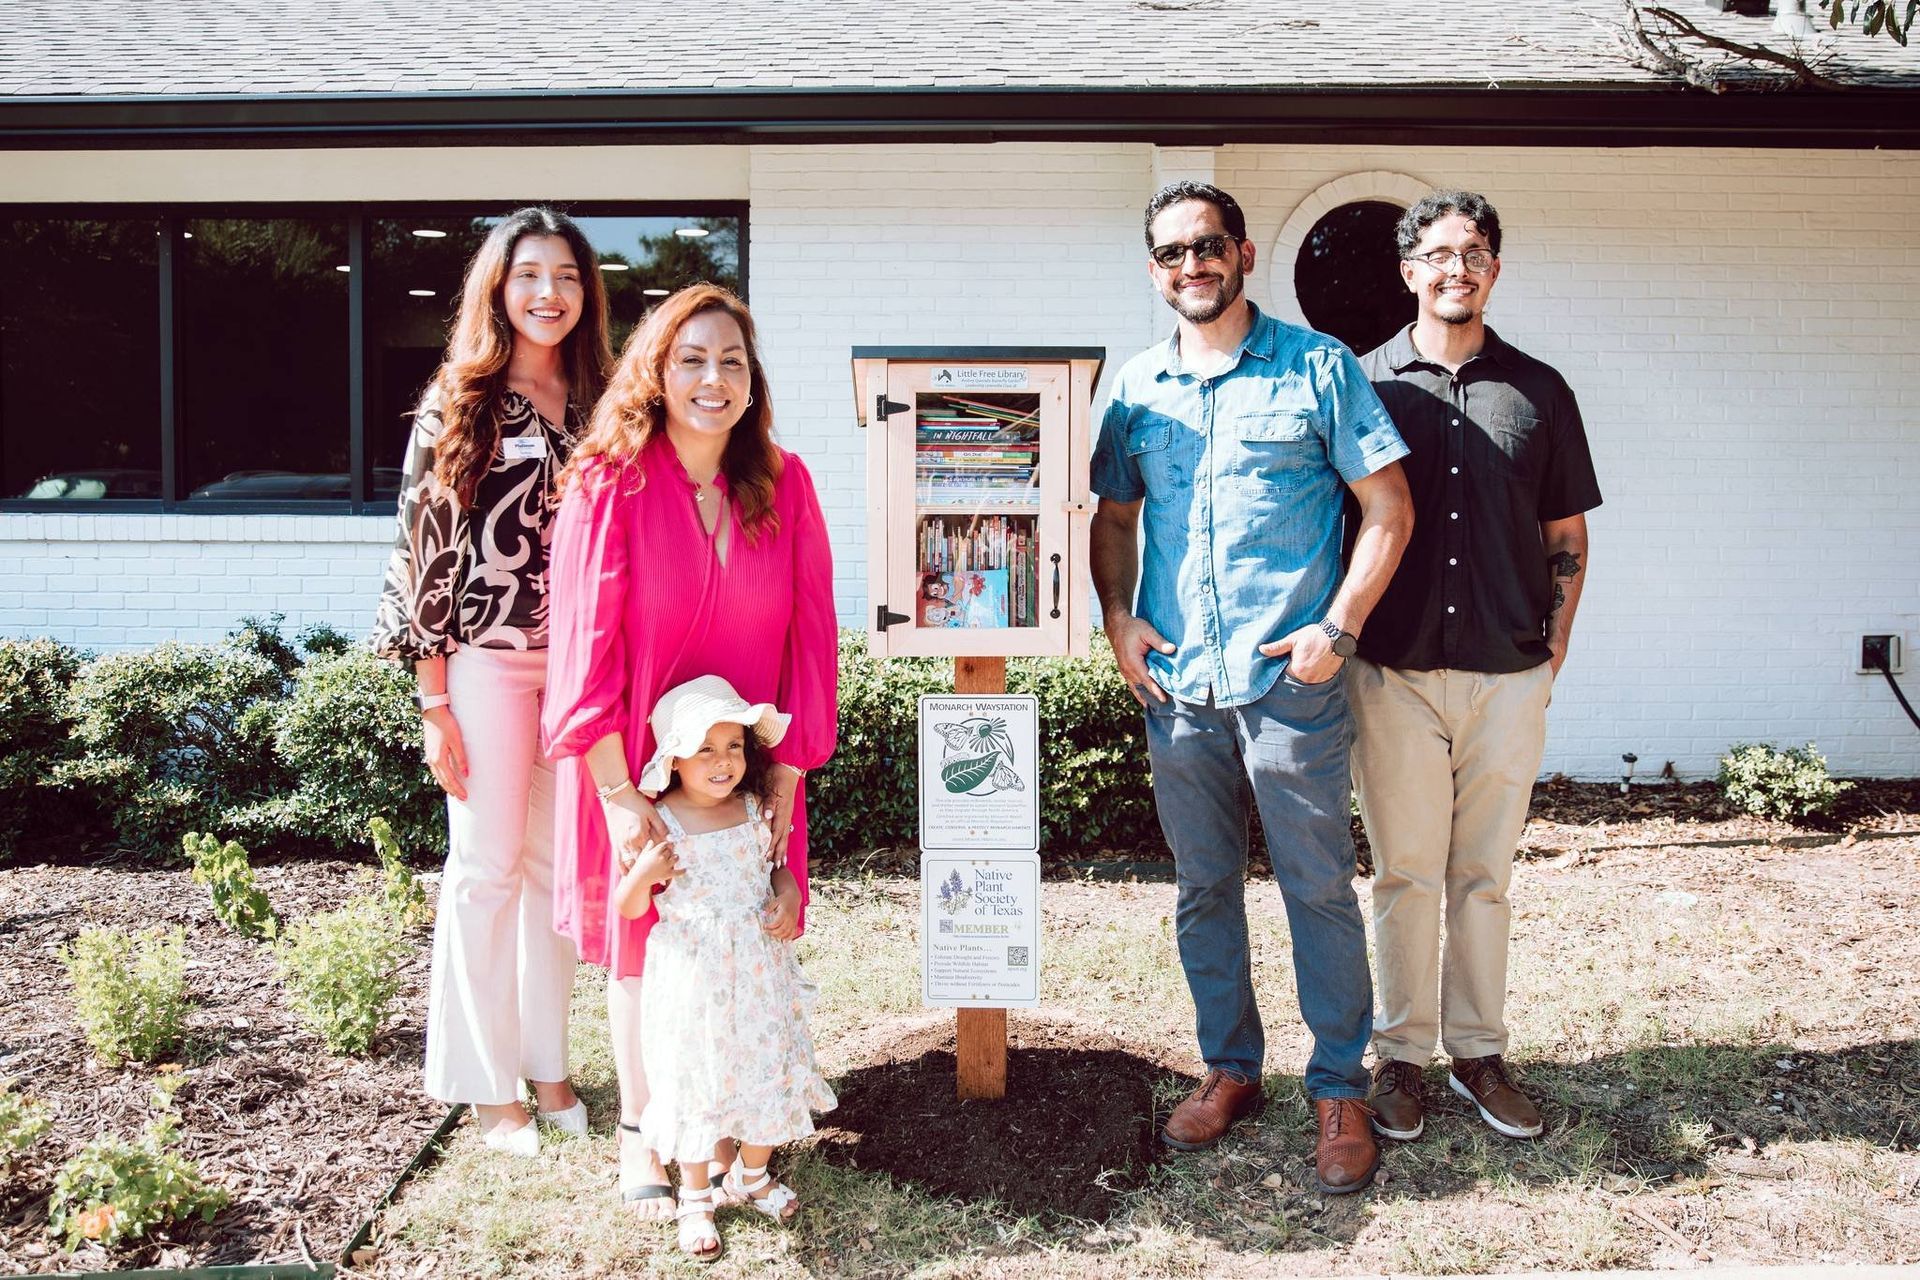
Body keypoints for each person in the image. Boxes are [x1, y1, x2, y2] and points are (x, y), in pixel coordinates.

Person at [1088, 181, 1414, 1195]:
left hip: (1291, 686)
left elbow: (1388, 507)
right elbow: (1112, 517)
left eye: (1210, 246)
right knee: (1202, 888)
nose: (1194, 264)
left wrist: (1339, 626)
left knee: (1316, 886)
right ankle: (1230, 1068)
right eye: (1174, 252)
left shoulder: (1319, 369)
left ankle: (1337, 1086)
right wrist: (1116, 614)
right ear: (1155, 270)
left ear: (1243, 252)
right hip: (1180, 685)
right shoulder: (1139, 389)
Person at [542, 283, 838, 1222]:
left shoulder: (786, 484)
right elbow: (584, 641)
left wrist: (787, 780)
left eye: (733, 363)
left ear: (754, 384)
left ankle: (740, 1126)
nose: (714, 380)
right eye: (692, 360)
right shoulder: (609, 481)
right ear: (655, 372)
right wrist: (620, 798)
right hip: (634, 764)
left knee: (745, 948)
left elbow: (811, 638)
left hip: (744, 772)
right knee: (651, 952)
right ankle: (644, 1132)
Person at [1352, 190, 1602, 1143]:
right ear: (1411, 269)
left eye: (1476, 252)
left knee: (1483, 874)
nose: (1458, 268)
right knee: (1406, 872)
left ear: (1495, 269)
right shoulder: (1363, 384)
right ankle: (1402, 1059)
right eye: (1439, 252)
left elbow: (1565, 530)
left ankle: (1481, 1054)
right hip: (1395, 672)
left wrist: (1557, 643)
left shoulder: (1539, 391)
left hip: (1508, 672)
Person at [371, 207, 611, 1155]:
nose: (548, 293)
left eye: (565, 275)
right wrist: (434, 703)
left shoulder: (602, 400)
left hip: (580, 669)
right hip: (485, 664)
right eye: (529, 276)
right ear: (498, 289)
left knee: (556, 877)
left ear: (585, 292)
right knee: (484, 870)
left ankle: (548, 1068)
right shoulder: (459, 402)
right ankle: (484, 1086)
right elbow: (421, 557)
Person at [611, 675, 835, 1261]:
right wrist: (642, 873)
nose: (722, 761)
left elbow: (775, 870)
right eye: (705, 749)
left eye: (733, 746)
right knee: (698, 1080)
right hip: (695, 980)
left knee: (768, 1067)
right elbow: (629, 907)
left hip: (759, 974)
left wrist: (789, 897)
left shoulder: (758, 809)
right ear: (674, 759)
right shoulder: (663, 823)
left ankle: (751, 1175)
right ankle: (696, 1195)